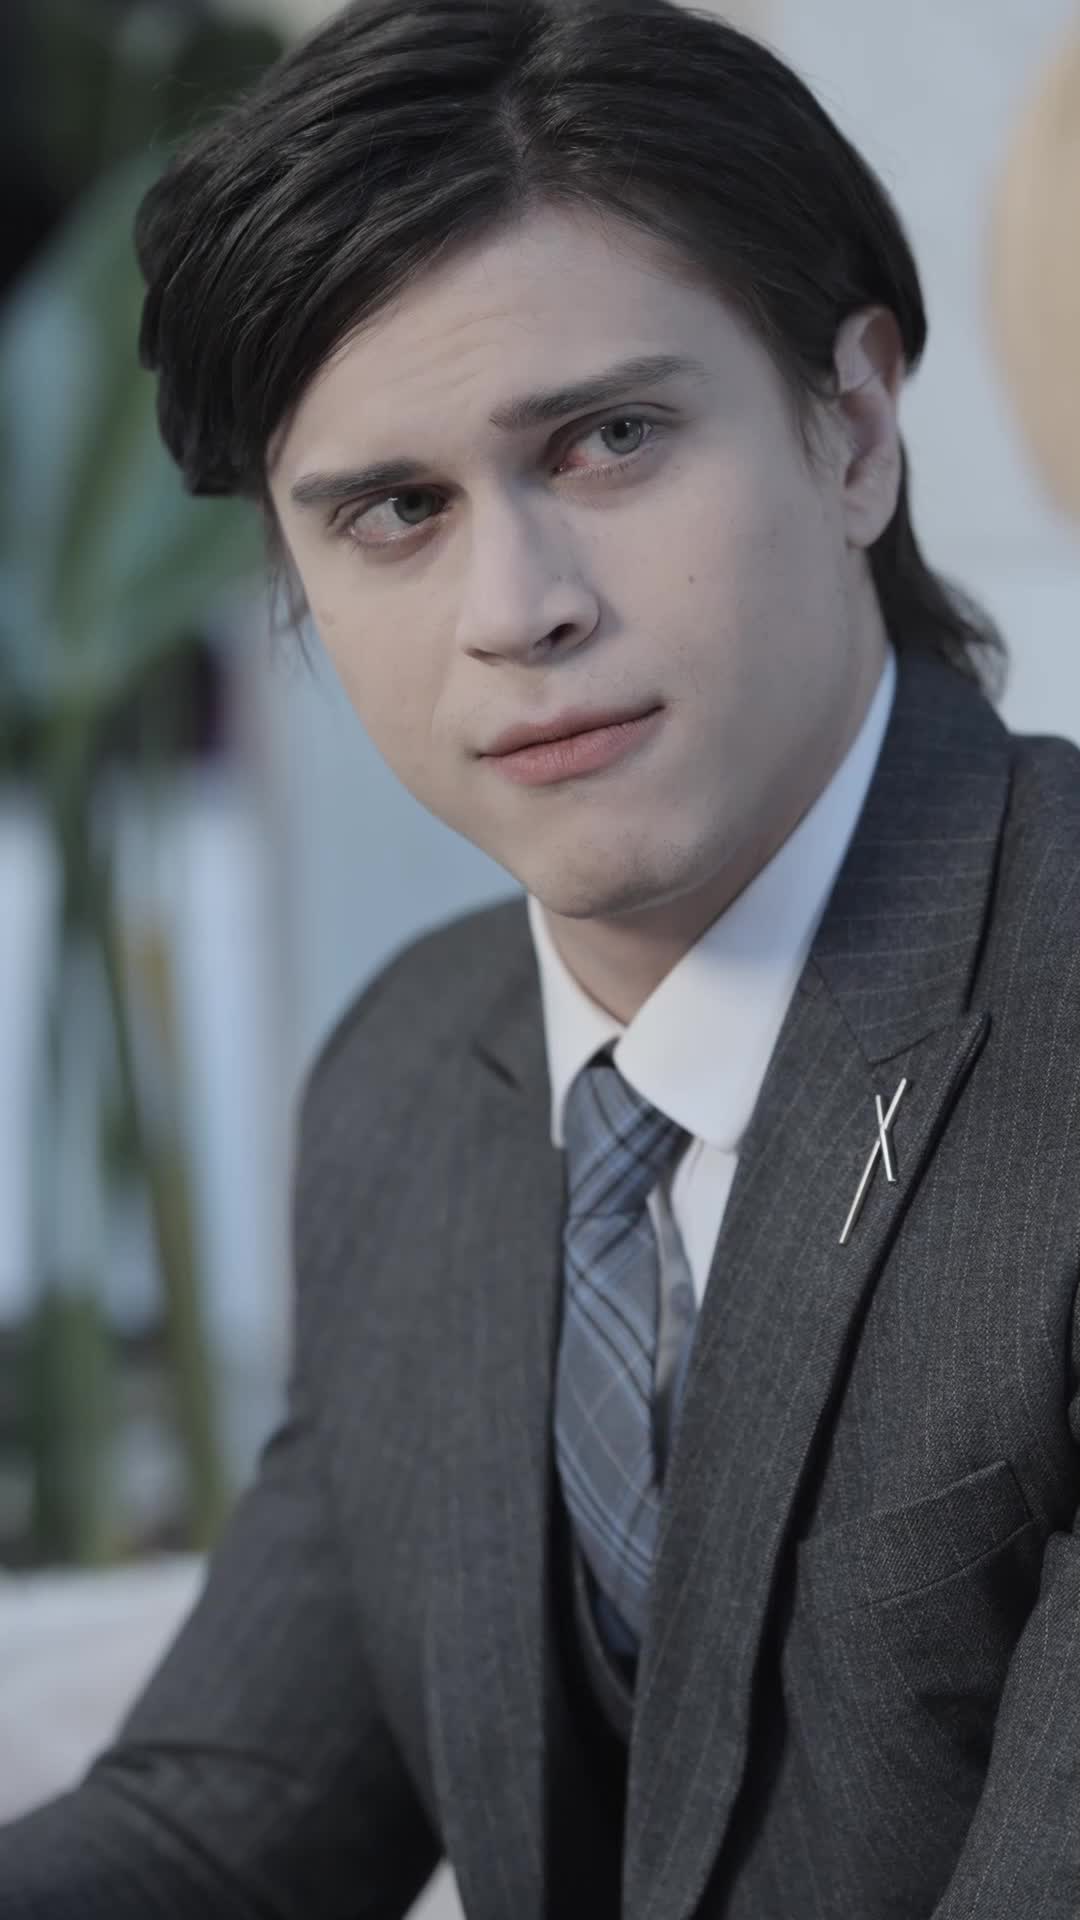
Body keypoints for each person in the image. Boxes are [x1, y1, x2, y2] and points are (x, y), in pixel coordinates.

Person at [3, 1, 1080, 1914]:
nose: (517, 611)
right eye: (395, 511)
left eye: (608, 442)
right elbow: (220, 1831)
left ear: (853, 427)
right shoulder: (416, 1072)